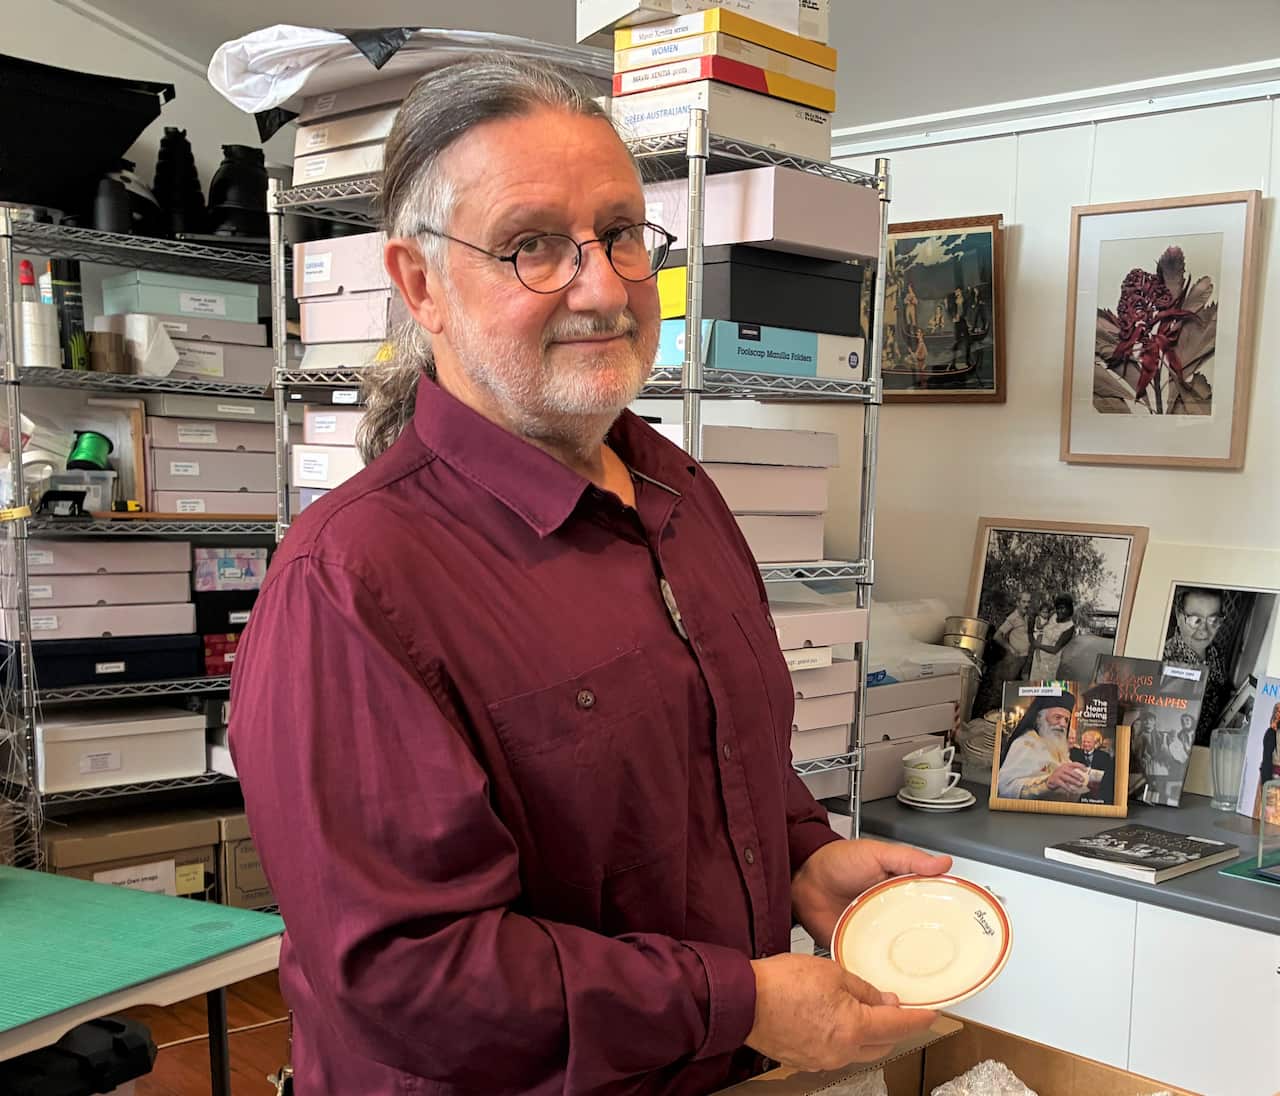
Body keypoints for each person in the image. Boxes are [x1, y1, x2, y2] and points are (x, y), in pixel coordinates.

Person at [229, 59, 946, 1095]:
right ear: (420, 284)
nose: (604, 288)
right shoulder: (349, 584)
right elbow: (407, 975)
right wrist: (738, 1002)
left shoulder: (679, 493)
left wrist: (803, 856)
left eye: (619, 233)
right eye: (531, 245)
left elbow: (710, 757)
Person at [1162, 587, 1227, 743]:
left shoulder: (1216, 652)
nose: (1204, 631)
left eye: (1213, 621)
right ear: (1179, 617)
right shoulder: (1164, 661)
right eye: (1195, 620)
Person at [997, 693, 1090, 800]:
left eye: (1066, 720)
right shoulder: (1025, 743)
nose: (1063, 724)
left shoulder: (1057, 747)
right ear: (1040, 718)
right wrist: (1047, 785)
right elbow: (1005, 787)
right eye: (1057, 717)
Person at [1028, 595, 1075, 681]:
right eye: (1058, 608)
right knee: (1034, 684)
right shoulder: (1053, 615)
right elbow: (1040, 619)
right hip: (1038, 657)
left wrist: (1038, 645)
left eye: (1062, 608)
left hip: (1050, 662)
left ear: (1069, 609)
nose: (1059, 611)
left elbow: (1055, 649)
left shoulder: (1069, 627)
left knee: (1046, 686)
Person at [1069, 727, 1114, 803]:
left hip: (1097, 793)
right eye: (1084, 742)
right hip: (1078, 792)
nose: (1086, 744)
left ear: (1094, 743)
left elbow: (1108, 777)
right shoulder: (1074, 754)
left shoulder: (1104, 756)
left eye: (1089, 742)